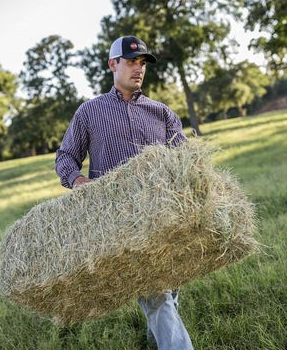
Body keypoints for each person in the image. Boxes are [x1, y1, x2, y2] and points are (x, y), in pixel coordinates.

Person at [55, 35, 193, 350]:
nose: (138, 69)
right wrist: (77, 181)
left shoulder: (162, 112)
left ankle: (155, 341)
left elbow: (185, 160)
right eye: (131, 61)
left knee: (169, 289)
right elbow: (65, 157)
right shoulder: (90, 112)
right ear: (112, 64)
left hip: (164, 214)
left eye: (142, 63)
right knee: (156, 293)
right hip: (119, 222)